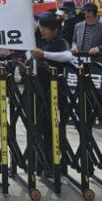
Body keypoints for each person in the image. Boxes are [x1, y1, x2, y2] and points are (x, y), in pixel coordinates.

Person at [29, 14, 73, 168]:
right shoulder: (43, 42)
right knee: (41, 127)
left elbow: (68, 56)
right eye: (41, 28)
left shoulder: (60, 42)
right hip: (40, 92)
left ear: (55, 30)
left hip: (55, 93)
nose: (43, 31)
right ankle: (42, 161)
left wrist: (44, 55)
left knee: (53, 129)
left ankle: (56, 161)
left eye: (45, 28)